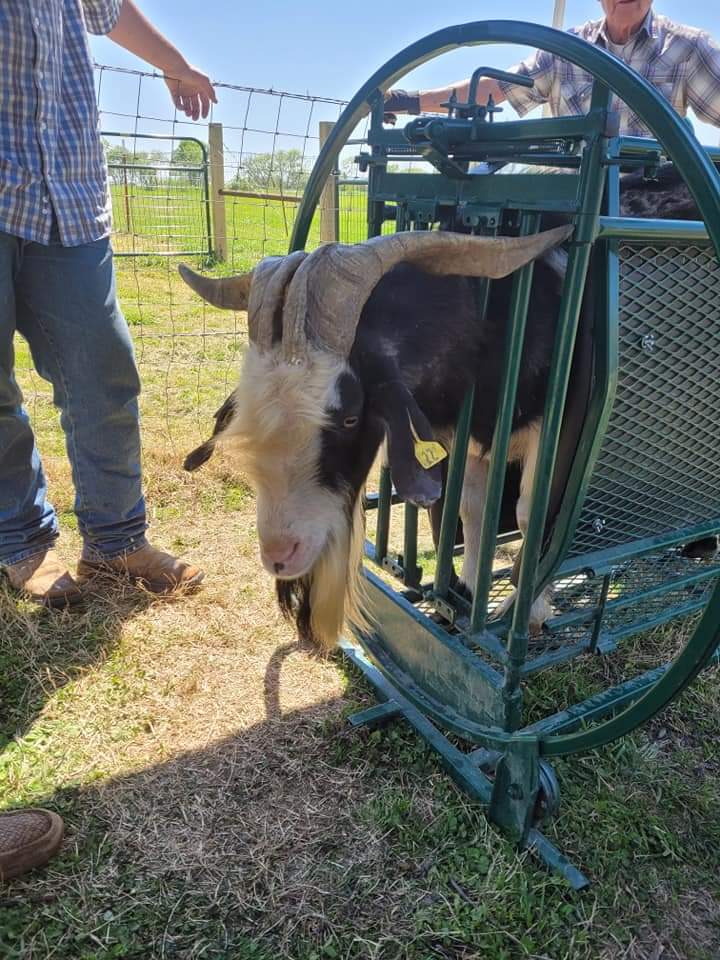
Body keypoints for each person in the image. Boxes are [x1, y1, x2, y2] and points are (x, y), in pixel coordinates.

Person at [0, 1, 215, 882]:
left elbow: (106, 5)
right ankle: (22, 541)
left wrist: (174, 63)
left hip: (68, 195)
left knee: (103, 371)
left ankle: (118, 539)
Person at [384, 0, 720, 137]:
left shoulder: (687, 49)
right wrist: (406, 100)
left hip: (647, 213)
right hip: (572, 207)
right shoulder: (568, 51)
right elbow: (496, 88)